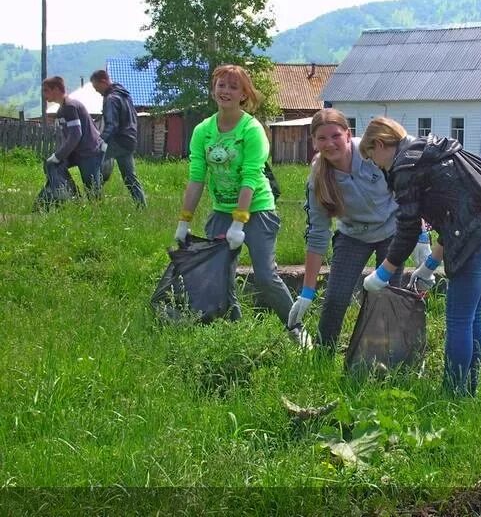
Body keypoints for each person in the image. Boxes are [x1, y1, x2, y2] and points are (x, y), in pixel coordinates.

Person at [359, 118, 481, 396]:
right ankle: (469, 390)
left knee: (459, 319)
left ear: (379, 145)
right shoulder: (435, 149)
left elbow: (408, 229)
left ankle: (453, 394)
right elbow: (455, 217)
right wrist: (429, 265)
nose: (376, 165)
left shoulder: (405, 166)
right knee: (472, 314)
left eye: (372, 158)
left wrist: (383, 273)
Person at [174, 64, 310, 346]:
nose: (226, 91)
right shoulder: (203, 131)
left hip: (257, 209)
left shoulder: (251, 130)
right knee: (219, 275)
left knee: (264, 275)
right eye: (221, 85)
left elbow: (250, 177)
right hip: (221, 211)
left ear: (243, 95)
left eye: (233, 87)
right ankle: (233, 333)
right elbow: (197, 178)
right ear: (214, 88)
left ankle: (297, 331)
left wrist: (240, 221)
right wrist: (184, 221)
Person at [288, 108, 432, 349]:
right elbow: (317, 234)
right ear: (314, 142)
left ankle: (379, 359)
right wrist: (306, 292)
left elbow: (409, 191)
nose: (330, 143)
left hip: (392, 231)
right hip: (353, 234)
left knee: (385, 297)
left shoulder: (372, 154)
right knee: (335, 299)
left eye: (335, 136)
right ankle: (322, 358)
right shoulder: (317, 178)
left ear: (348, 134)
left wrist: (421, 235)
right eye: (321, 138)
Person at [90, 70, 147, 206]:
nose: (97, 91)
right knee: (130, 177)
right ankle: (142, 206)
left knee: (94, 167)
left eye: (97, 87)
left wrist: (99, 142)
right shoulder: (124, 95)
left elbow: (111, 125)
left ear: (103, 82)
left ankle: (94, 203)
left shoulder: (111, 99)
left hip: (117, 140)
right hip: (129, 140)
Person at [42, 76, 105, 200]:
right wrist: (58, 157)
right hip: (78, 152)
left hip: (90, 152)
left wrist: (58, 156)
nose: (44, 94)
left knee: (93, 192)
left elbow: (76, 135)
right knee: (51, 165)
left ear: (56, 89)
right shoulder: (62, 110)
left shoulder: (70, 107)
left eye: (46, 90)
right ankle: (71, 197)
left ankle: (91, 210)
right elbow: (70, 137)